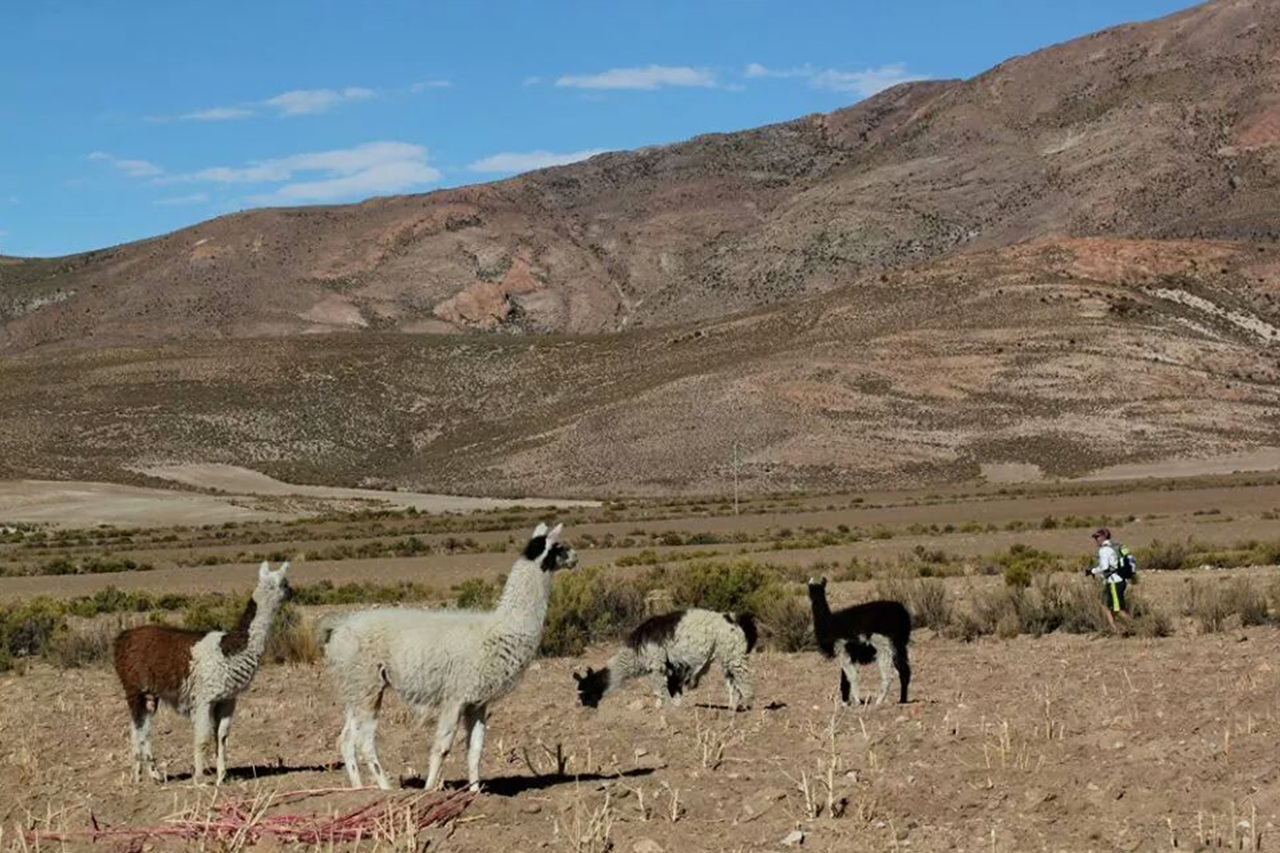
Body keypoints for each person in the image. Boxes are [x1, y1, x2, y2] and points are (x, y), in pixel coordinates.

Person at [1086, 527, 1130, 628]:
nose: (1095, 540)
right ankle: (1114, 628)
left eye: (1097, 537)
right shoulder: (1112, 548)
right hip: (1115, 581)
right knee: (1106, 605)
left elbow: (1105, 567)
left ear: (1103, 537)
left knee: (1119, 609)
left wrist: (1092, 571)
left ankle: (1135, 627)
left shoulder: (1104, 550)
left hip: (1114, 582)